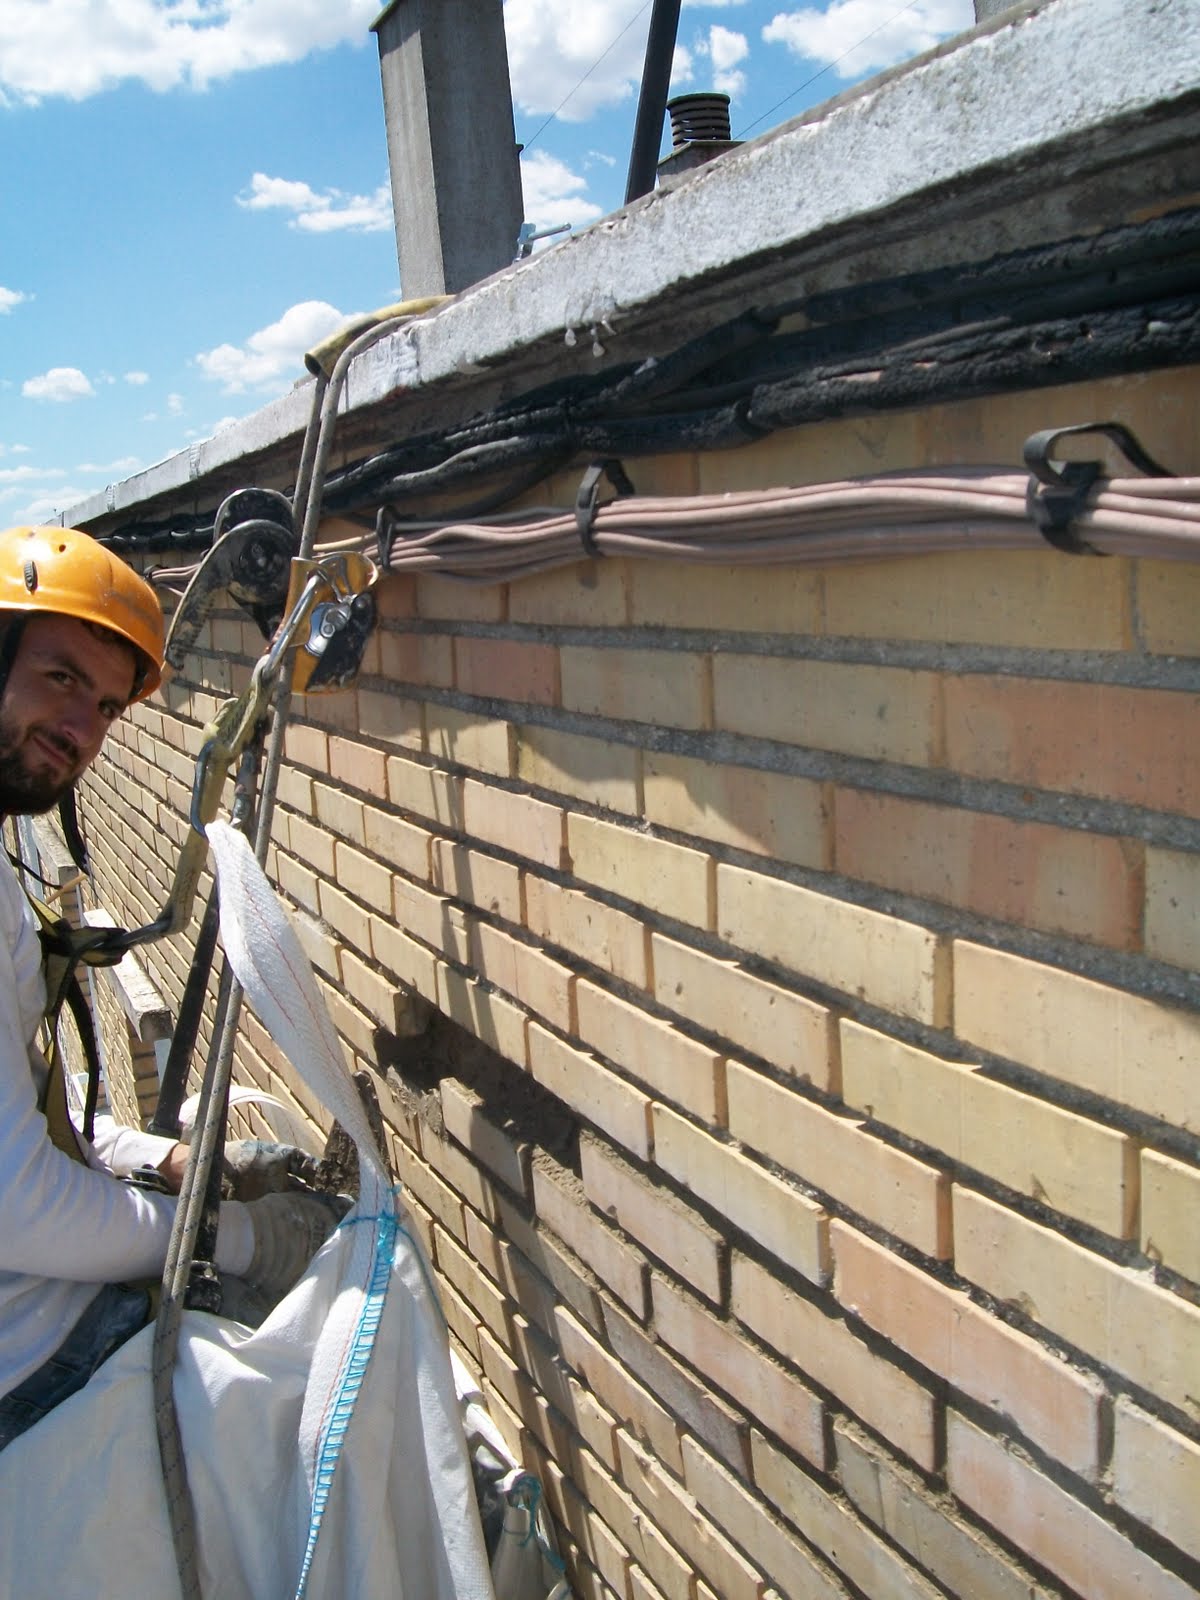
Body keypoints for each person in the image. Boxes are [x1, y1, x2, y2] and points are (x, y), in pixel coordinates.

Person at [0, 525, 341, 1452]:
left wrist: (157, 1162)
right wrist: (235, 1240)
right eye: (61, 678)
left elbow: (19, 1109)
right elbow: (16, 1208)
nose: (82, 732)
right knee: (297, 1439)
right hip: (26, 1371)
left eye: (107, 707)